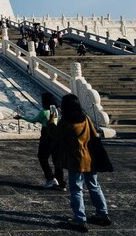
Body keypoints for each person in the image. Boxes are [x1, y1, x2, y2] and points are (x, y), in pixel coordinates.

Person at [47, 94, 111, 232]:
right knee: (94, 186)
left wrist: (51, 120)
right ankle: (102, 213)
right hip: (90, 157)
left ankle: (80, 219)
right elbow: (94, 135)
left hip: (75, 159)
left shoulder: (67, 122)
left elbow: (55, 134)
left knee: (76, 189)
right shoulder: (86, 118)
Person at [14, 92, 65, 189]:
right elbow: (55, 121)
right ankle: (61, 182)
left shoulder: (44, 111)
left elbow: (33, 120)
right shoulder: (55, 110)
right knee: (56, 159)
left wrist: (21, 117)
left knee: (42, 157)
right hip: (56, 135)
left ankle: (50, 178)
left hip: (46, 134)